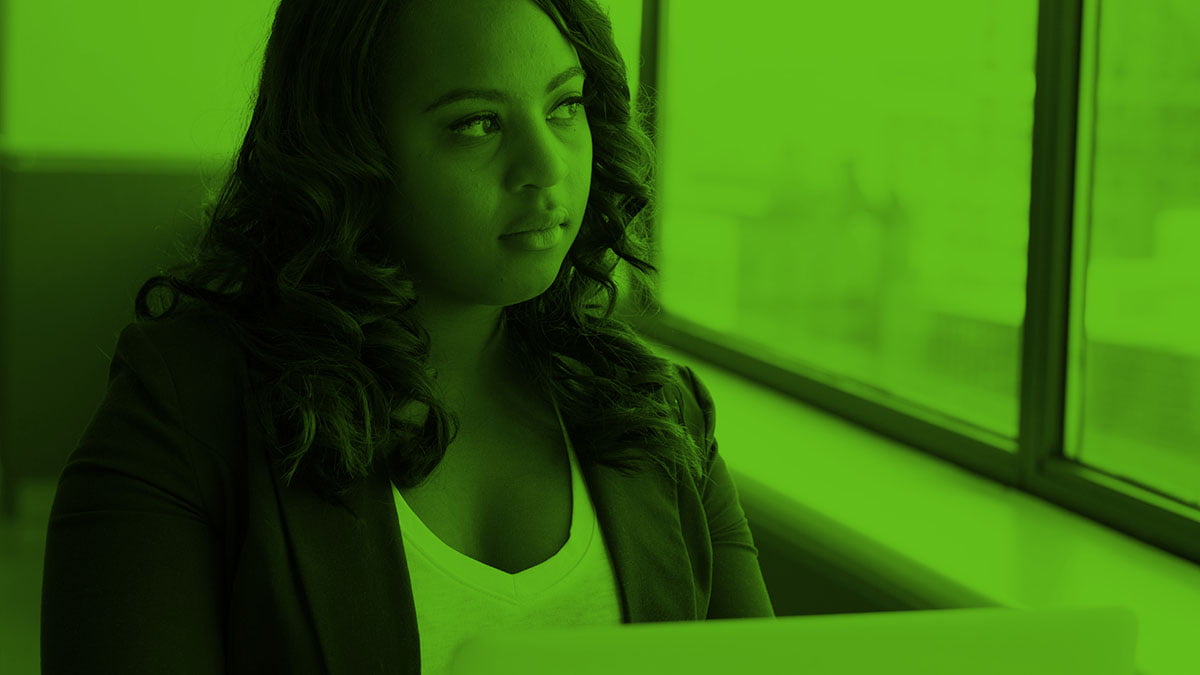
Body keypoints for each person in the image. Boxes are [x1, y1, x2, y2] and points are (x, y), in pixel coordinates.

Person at [40, 1, 775, 673]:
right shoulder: (184, 411)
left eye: (565, 105)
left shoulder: (663, 414)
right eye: (477, 123)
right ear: (349, 150)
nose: (548, 167)